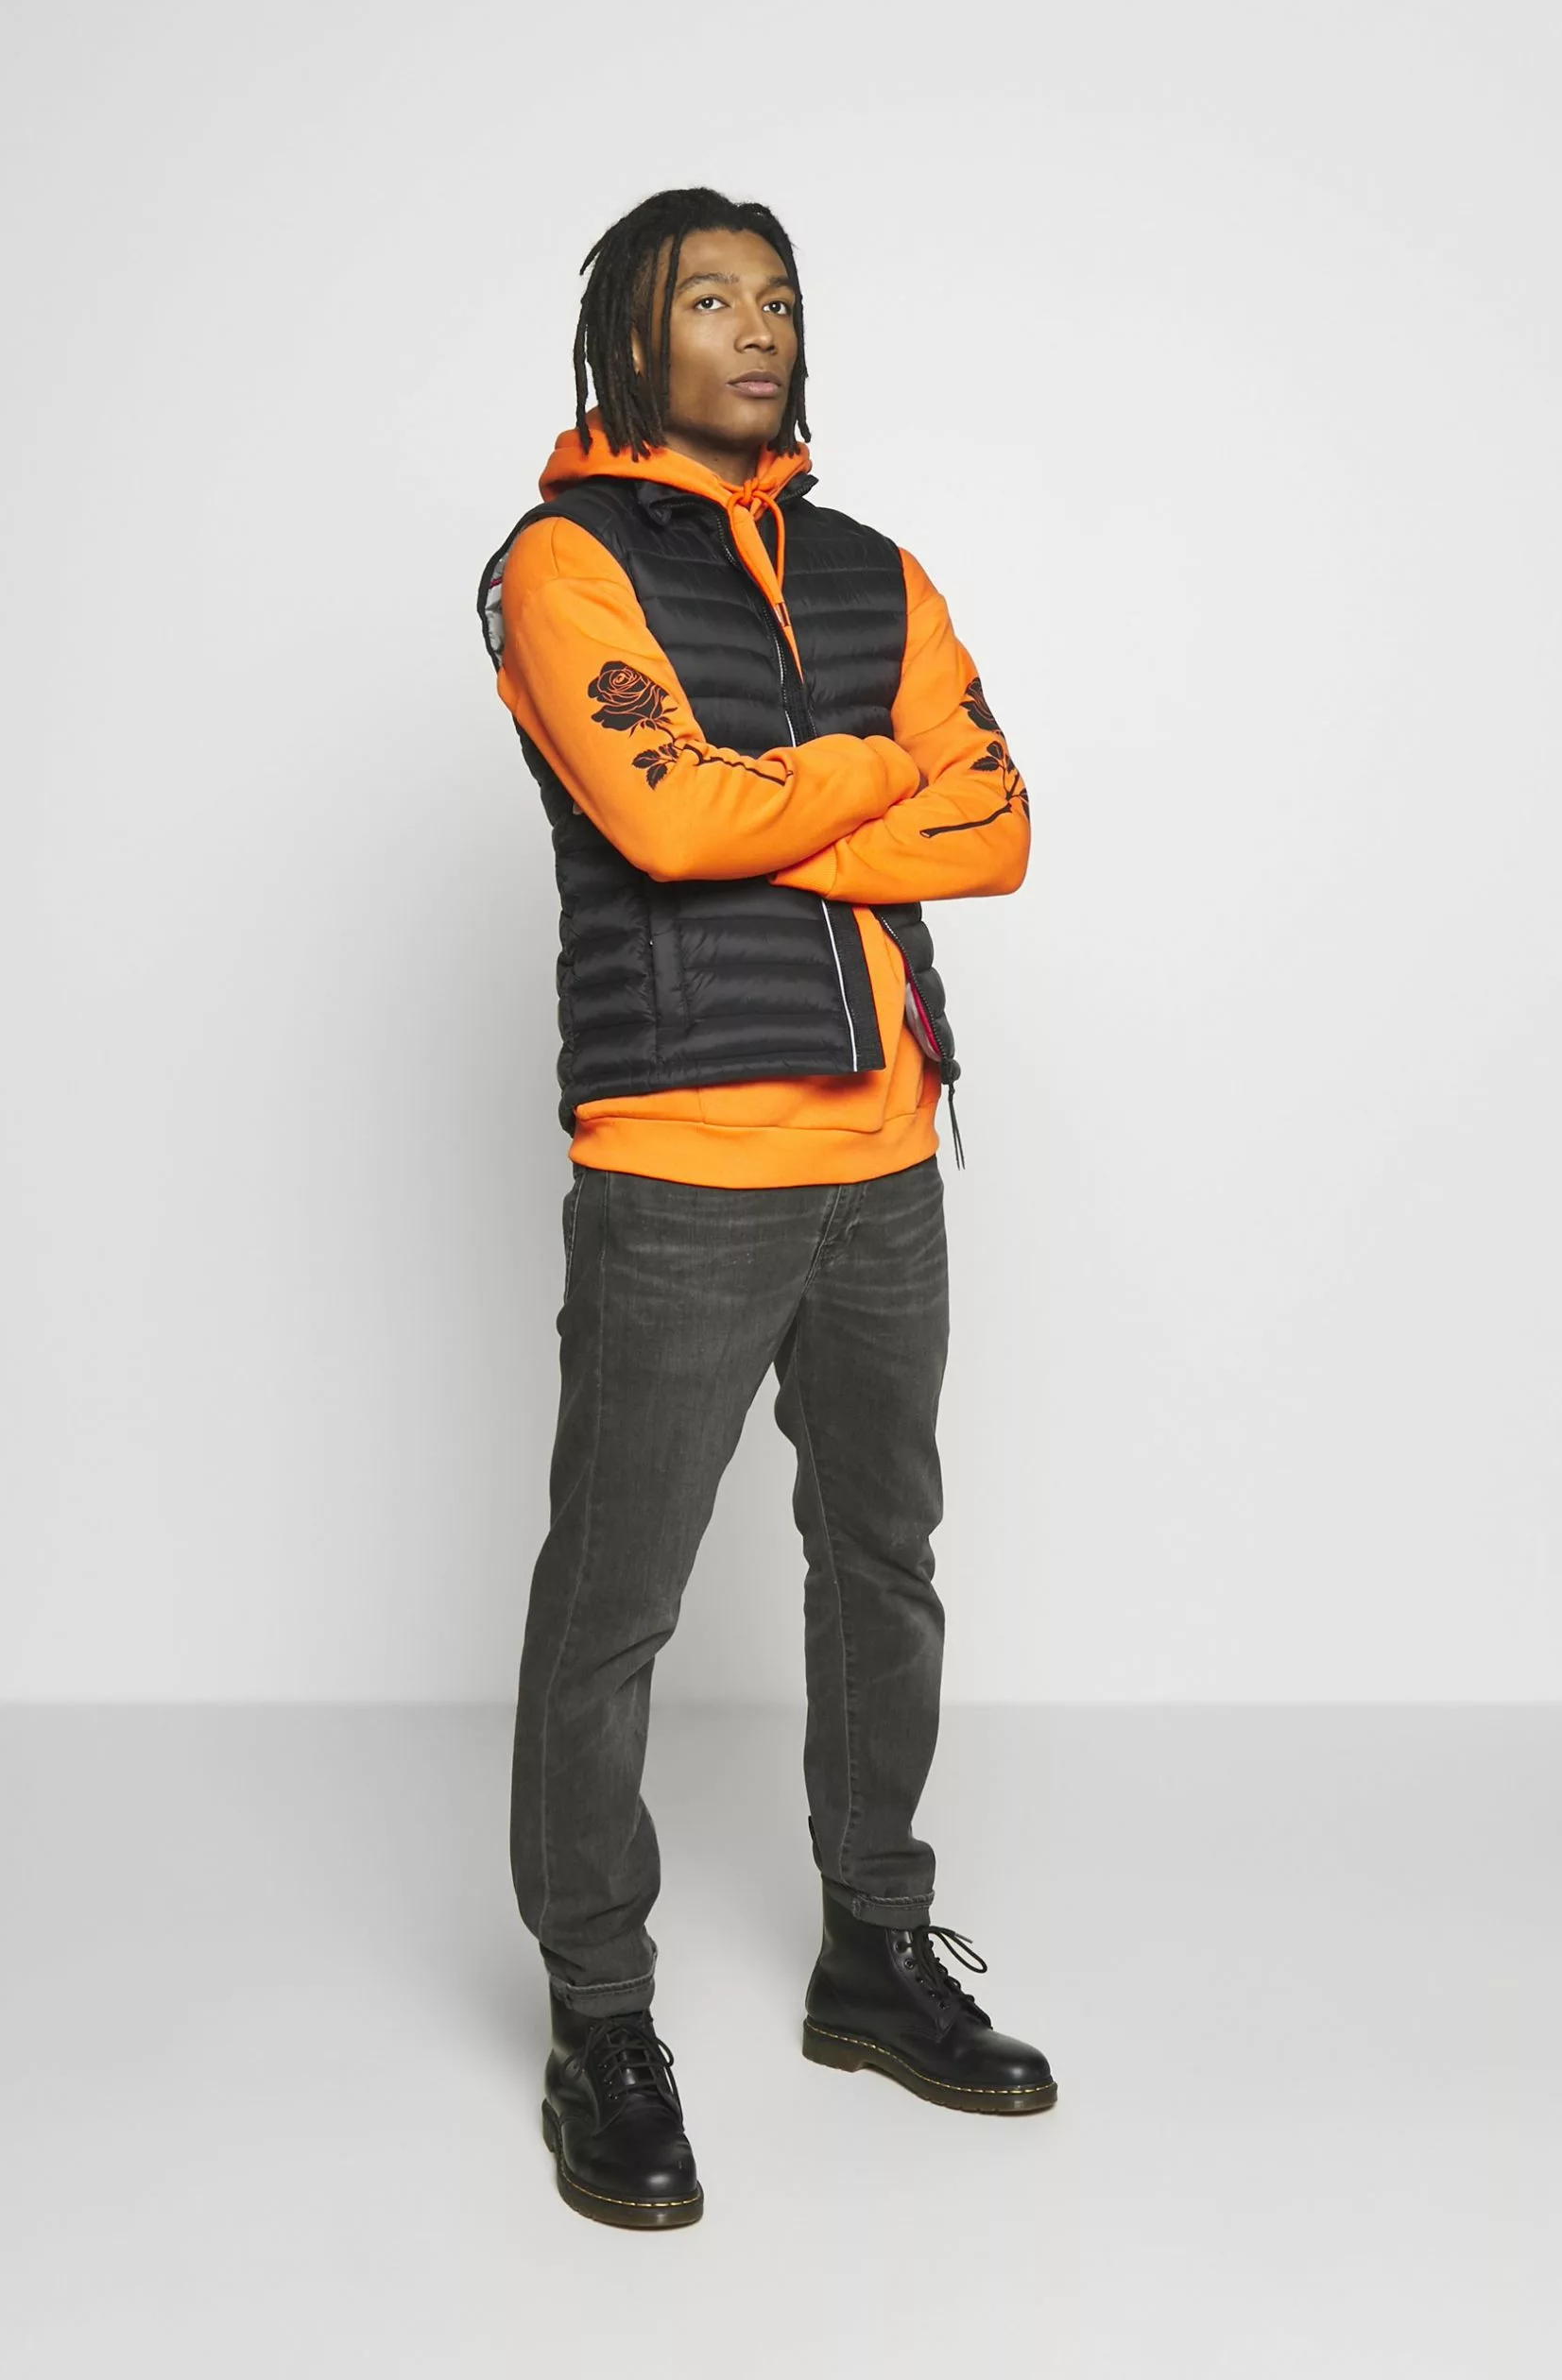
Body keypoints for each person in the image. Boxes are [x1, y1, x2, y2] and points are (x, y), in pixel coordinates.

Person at [477, 187, 1055, 2231]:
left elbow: (998, 823)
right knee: (613, 1601)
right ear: (631, 340)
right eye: (708, 298)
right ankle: (597, 2018)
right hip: (682, 1173)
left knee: (882, 1562)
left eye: (779, 299)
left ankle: (872, 1953)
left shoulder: (880, 572)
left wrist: (776, 791)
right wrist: (863, 777)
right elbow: (660, 812)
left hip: (885, 1161)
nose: (756, 329)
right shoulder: (561, 564)